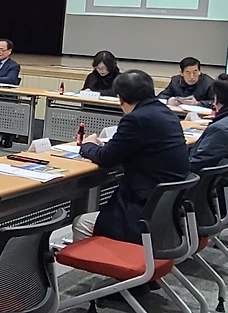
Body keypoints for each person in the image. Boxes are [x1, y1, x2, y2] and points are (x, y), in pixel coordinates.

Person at [73, 70, 190, 243]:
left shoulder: (136, 119)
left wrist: (87, 145)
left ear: (121, 98)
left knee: (81, 223)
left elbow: (105, 158)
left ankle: (101, 260)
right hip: (167, 211)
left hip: (142, 211)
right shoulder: (167, 113)